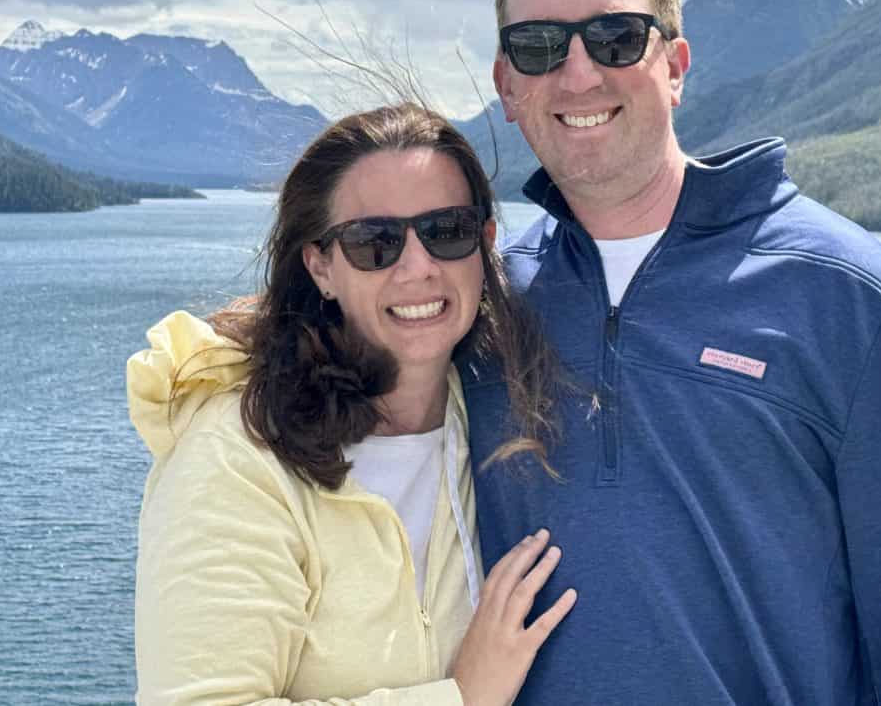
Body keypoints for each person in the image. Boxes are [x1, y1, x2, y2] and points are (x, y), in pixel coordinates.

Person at [461, 0, 881, 704]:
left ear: (676, 65)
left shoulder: (856, 305)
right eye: (540, 46)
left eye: (615, 37)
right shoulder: (485, 312)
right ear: (507, 86)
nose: (578, 74)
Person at [127, 103, 574, 706]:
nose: (418, 268)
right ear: (320, 267)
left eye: (447, 232)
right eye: (375, 244)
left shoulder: (497, 414)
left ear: (485, 243)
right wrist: (462, 697)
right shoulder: (239, 456)